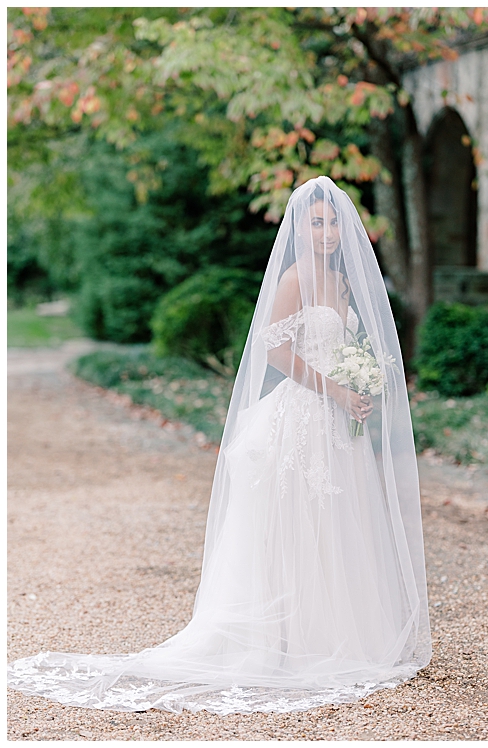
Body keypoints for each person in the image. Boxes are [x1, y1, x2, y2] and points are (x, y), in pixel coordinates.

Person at [7, 177, 431, 714]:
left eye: (334, 223)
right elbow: (276, 354)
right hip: (301, 418)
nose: (326, 233)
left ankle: (331, 634)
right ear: (299, 228)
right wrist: (337, 389)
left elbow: (340, 349)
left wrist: (357, 392)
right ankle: (284, 643)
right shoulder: (296, 279)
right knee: (294, 523)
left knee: (335, 524)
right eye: (315, 222)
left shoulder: (343, 285)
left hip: (335, 423)